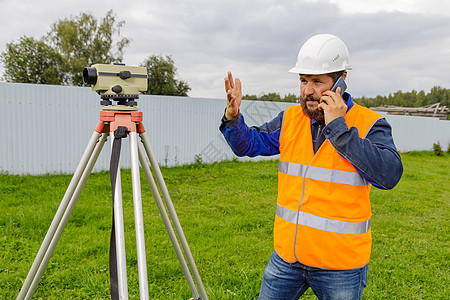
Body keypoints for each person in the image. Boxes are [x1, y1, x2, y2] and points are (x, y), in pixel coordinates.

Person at [219, 34, 403, 300]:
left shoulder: (369, 123)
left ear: (341, 81)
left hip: (340, 266)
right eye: (303, 80)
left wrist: (339, 129)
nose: (307, 90)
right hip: (287, 259)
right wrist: (233, 119)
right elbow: (248, 145)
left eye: (317, 81)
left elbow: (388, 175)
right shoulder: (291, 119)